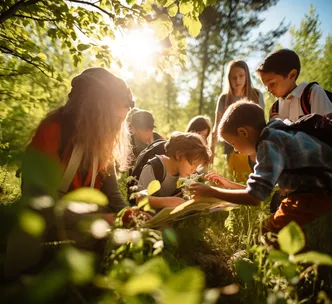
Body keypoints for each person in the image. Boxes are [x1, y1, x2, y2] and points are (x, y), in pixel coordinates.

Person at [190, 100, 332, 232]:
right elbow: (262, 191)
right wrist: (227, 184)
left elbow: (255, 197)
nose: (235, 149)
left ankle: (301, 264)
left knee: (272, 230)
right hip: (316, 187)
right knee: (272, 228)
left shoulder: (268, 145)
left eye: (234, 144)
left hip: (322, 189)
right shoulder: (275, 132)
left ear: (243, 132)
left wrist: (211, 192)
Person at [26, 67, 134, 215]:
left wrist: (131, 216)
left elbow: (114, 197)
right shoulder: (52, 132)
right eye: (114, 120)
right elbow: (37, 204)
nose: (115, 129)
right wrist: (96, 221)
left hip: (85, 222)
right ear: (96, 110)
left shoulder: (103, 144)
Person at [211, 60, 264, 181]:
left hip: (253, 145)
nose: (237, 80)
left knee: (257, 178)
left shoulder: (256, 94)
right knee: (239, 179)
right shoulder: (224, 98)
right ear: (229, 79)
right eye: (233, 77)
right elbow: (216, 127)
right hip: (233, 147)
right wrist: (211, 156)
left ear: (247, 76)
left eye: (241, 76)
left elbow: (261, 122)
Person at [256, 48, 332, 121]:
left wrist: (285, 124)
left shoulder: (311, 93)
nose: (268, 90)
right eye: (265, 86)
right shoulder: (275, 109)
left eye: (272, 84)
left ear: (292, 75)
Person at [138, 131, 211, 210]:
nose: (193, 170)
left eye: (196, 167)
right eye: (192, 164)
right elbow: (139, 200)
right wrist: (167, 202)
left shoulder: (182, 171)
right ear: (179, 155)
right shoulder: (155, 167)